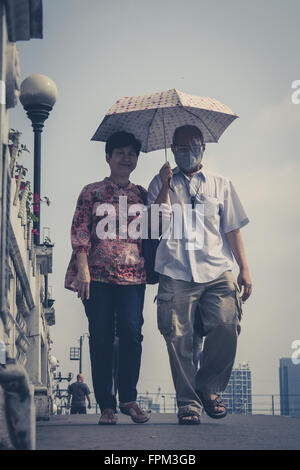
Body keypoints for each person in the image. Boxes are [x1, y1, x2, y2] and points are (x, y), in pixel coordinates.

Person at [147, 124, 252, 425]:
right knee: (177, 336)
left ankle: (209, 388)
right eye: (180, 147)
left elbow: (232, 229)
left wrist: (244, 268)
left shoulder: (221, 184)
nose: (187, 152)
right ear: (173, 148)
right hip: (175, 270)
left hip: (217, 268)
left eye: (193, 146)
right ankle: (188, 403)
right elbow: (154, 227)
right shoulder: (159, 183)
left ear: (203, 148)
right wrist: (165, 185)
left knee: (226, 324)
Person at [64, 131, 168, 425]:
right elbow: (80, 229)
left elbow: (157, 222)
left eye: (132, 153)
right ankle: (107, 405)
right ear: (108, 157)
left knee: (132, 334)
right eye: (120, 152)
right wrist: (82, 266)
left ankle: (129, 399)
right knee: (101, 338)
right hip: (96, 276)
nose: (126, 158)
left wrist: (166, 185)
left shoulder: (142, 194)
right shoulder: (92, 192)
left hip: (133, 276)